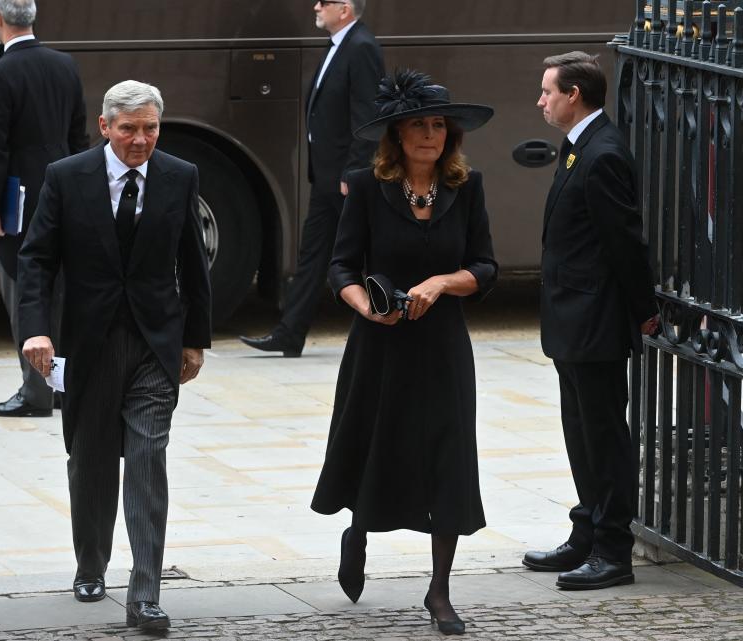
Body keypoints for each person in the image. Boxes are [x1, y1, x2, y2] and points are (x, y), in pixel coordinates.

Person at [17, 80, 211, 630]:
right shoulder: (66, 176)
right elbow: (36, 261)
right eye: (129, 129)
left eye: (150, 128)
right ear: (105, 127)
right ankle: (91, 562)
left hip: (156, 342)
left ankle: (145, 592)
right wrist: (36, 330)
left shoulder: (179, 176)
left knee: (149, 460)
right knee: (92, 461)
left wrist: (195, 339)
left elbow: (194, 265)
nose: (141, 140)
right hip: (90, 343)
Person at [310, 69, 495, 636]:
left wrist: (442, 282)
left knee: (448, 460)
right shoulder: (367, 187)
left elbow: (486, 266)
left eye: (439, 125)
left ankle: (438, 591)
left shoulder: (467, 186)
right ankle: (358, 531)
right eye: (419, 125)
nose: (430, 135)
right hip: (379, 343)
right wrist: (367, 305)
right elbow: (340, 266)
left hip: (442, 348)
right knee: (374, 445)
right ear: (397, 135)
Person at [522, 52, 658, 591]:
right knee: (580, 434)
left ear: (573, 94)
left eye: (547, 91)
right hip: (570, 318)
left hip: (595, 320)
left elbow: (625, 243)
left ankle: (612, 551)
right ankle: (586, 532)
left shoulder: (603, 154)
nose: (540, 100)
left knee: (604, 438)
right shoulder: (578, 148)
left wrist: (643, 310)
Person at [240, 0, 382, 357]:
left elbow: (367, 116)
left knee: (366, 255)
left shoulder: (362, 47)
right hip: (327, 176)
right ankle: (290, 333)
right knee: (313, 254)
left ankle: (391, 324)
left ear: (345, 8)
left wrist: (353, 171)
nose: (316, 6)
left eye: (325, 1)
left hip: (345, 177)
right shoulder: (338, 45)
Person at [0, 0, 89, 417]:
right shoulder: (65, 65)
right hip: (63, 195)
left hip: (18, 202)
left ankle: (34, 392)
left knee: (22, 292)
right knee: (57, 292)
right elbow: (78, 138)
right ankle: (59, 387)